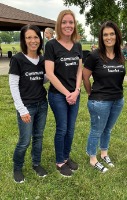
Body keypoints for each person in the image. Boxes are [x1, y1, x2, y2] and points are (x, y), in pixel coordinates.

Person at [83, 21, 126, 173]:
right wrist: (90, 93)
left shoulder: (120, 55)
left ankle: (104, 153)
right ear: (101, 37)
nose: (109, 37)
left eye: (112, 34)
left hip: (118, 100)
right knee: (97, 130)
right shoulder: (94, 55)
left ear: (117, 35)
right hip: (100, 101)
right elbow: (85, 76)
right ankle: (92, 158)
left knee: (107, 129)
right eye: (105, 34)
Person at [44, 9, 82, 177]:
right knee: (62, 128)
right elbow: (50, 73)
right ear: (59, 25)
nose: (68, 25)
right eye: (64, 22)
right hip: (58, 95)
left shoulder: (78, 45)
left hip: (74, 94)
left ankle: (66, 157)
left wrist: (77, 91)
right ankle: (60, 162)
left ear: (75, 25)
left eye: (71, 22)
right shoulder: (51, 45)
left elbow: (79, 70)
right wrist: (68, 93)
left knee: (71, 129)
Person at [9, 24, 48, 183]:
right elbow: (13, 85)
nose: (33, 40)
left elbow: (42, 79)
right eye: (29, 37)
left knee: (38, 137)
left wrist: (52, 75)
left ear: (40, 39)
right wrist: (21, 109)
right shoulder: (18, 59)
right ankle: (17, 167)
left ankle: (36, 164)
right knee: (24, 141)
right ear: (23, 40)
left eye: (36, 37)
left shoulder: (43, 59)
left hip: (42, 104)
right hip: (26, 107)